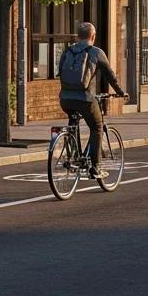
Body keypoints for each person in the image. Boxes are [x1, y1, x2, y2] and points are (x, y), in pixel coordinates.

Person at [58, 21, 127, 178]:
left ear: (77, 36)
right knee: (97, 127)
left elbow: (60, 74)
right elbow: (111, 77)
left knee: (73, 122)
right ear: (93, 36)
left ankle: (74, 155)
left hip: (65, 99)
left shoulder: (67, 51)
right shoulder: (96, 52)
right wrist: (121, 92)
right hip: (85, 99)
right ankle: (96, 167)